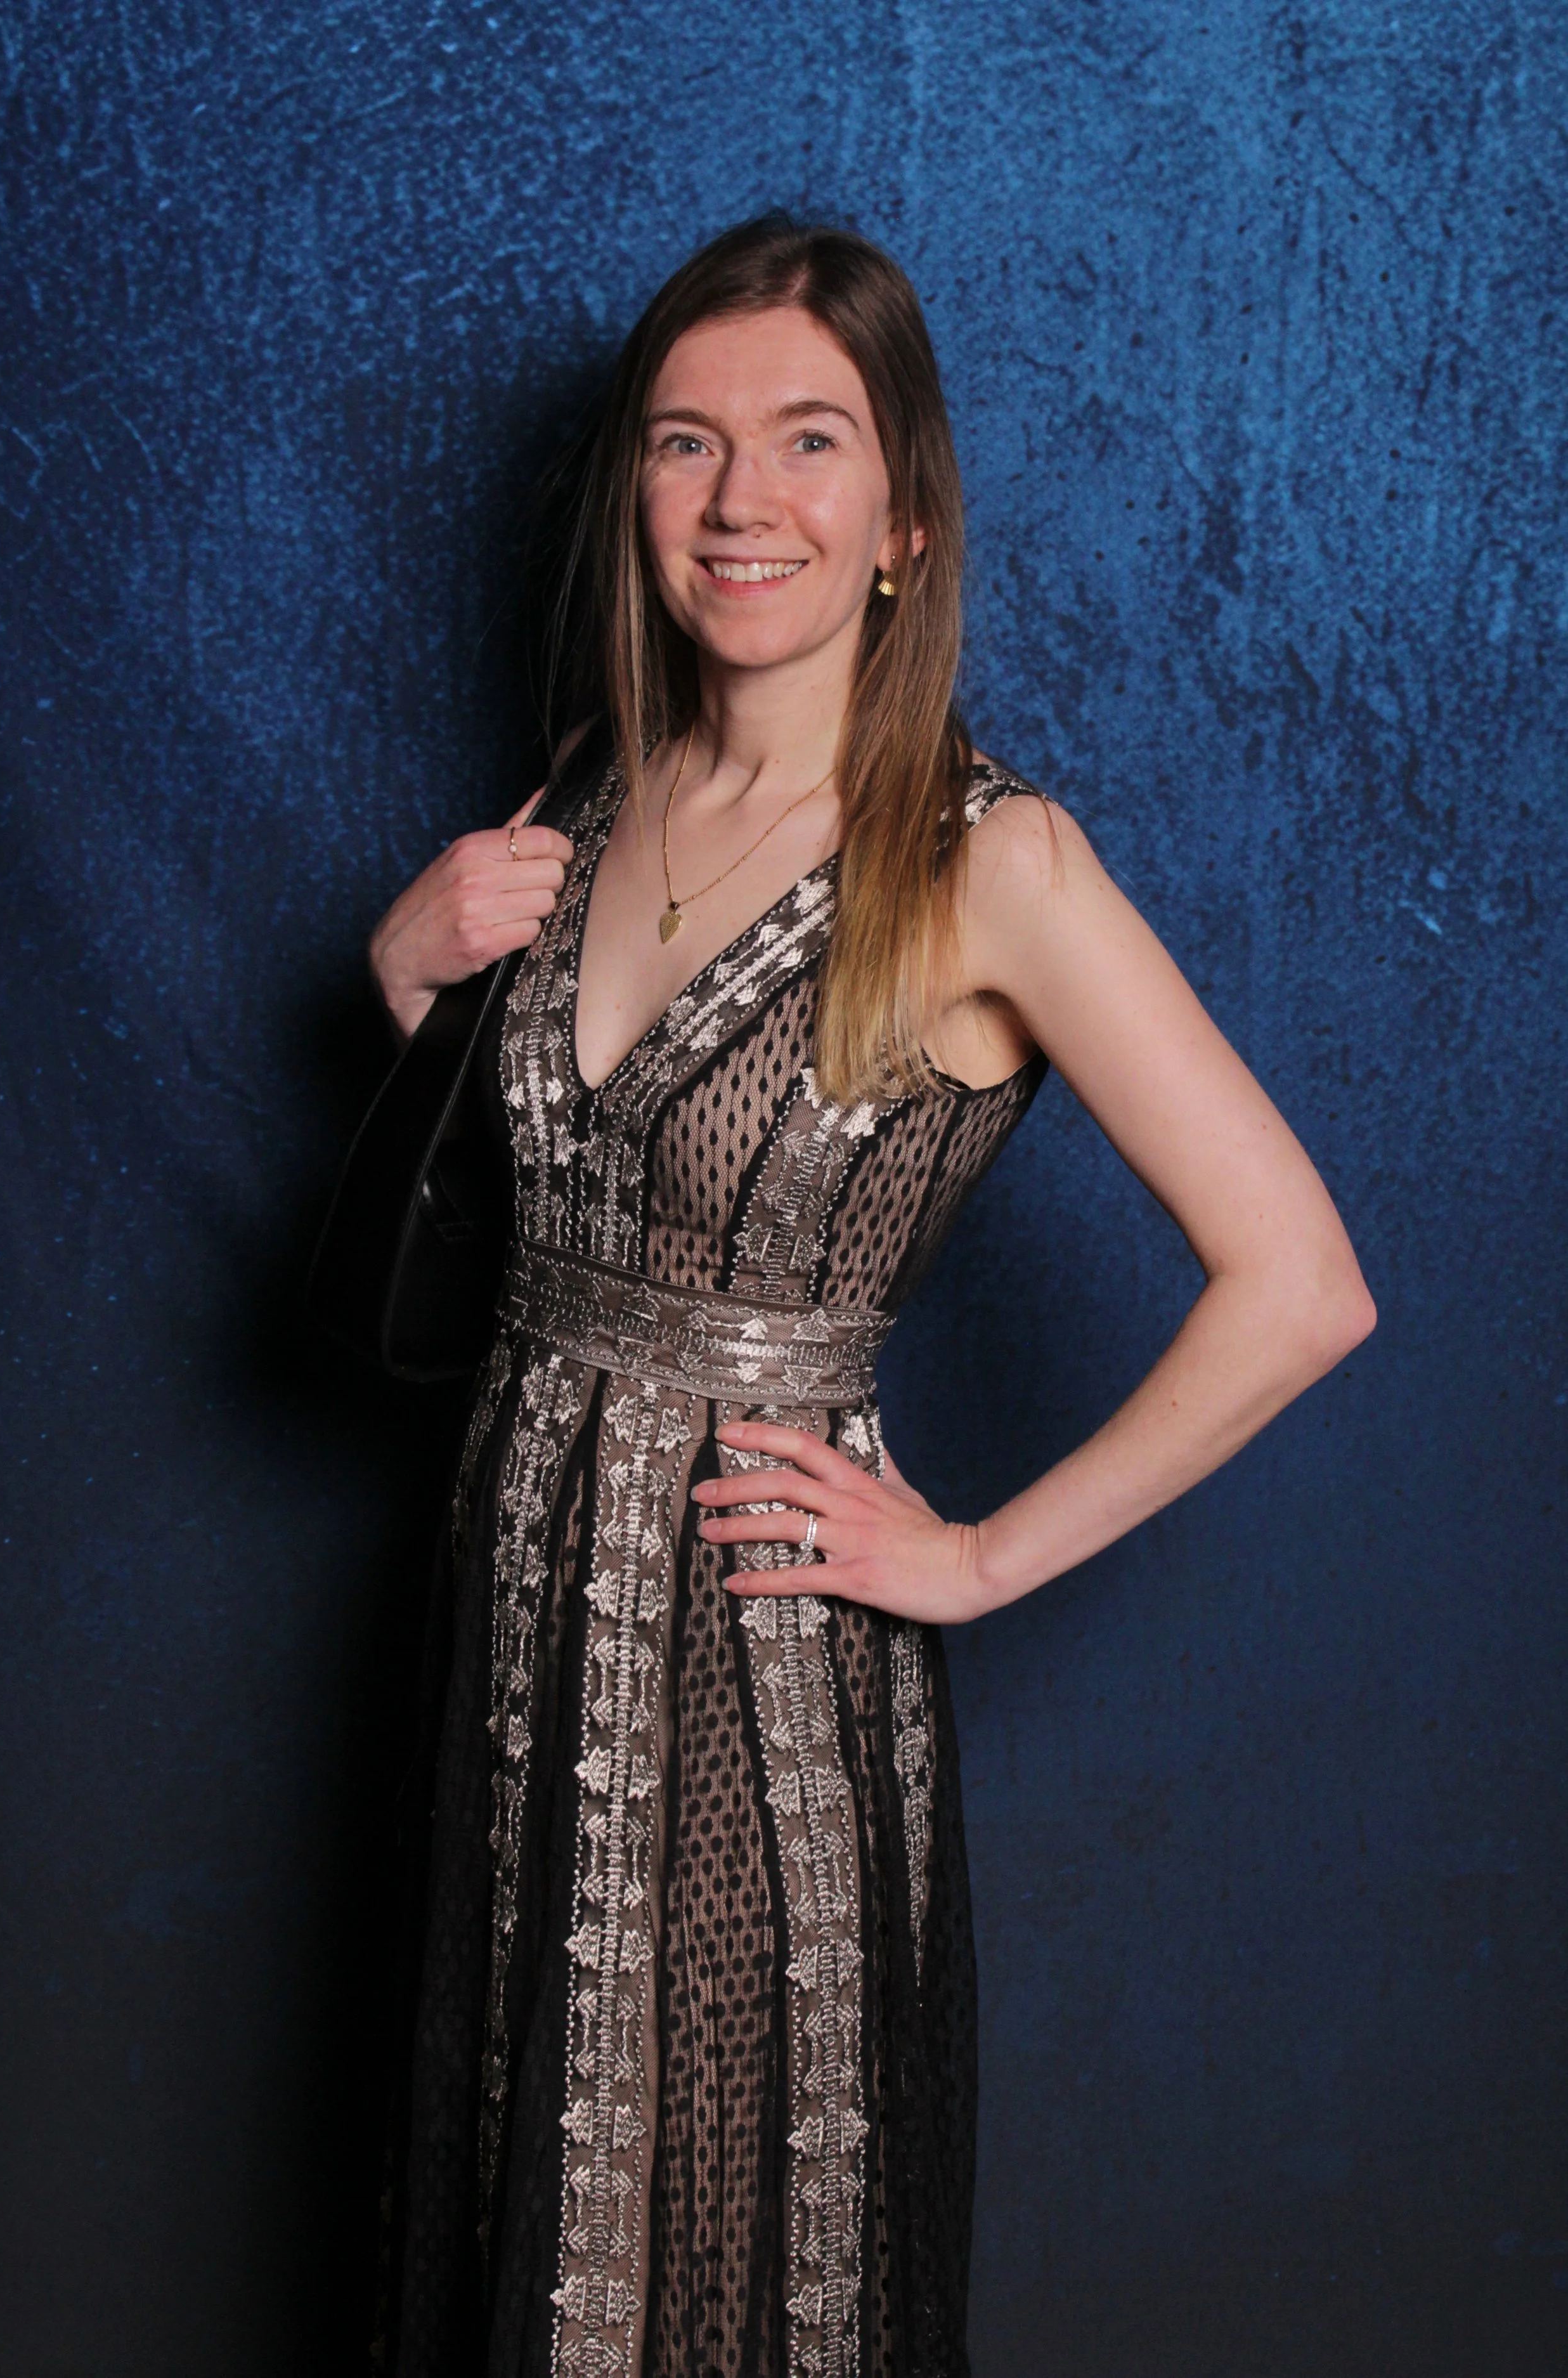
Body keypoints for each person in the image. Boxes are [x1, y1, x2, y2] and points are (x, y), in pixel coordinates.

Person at [365, 214, 1374, 2378]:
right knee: (505, 2251)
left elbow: (1298, 1282)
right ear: (633, 494)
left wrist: (984, 1551)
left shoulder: (985, 859)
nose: (743, 504)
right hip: (507, 1659)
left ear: (904, 511)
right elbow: (481, 1249)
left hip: (754, 1700)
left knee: (721, 2282)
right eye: (687, 444)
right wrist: (398, 984)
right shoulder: (579, 796)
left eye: (807, 442)